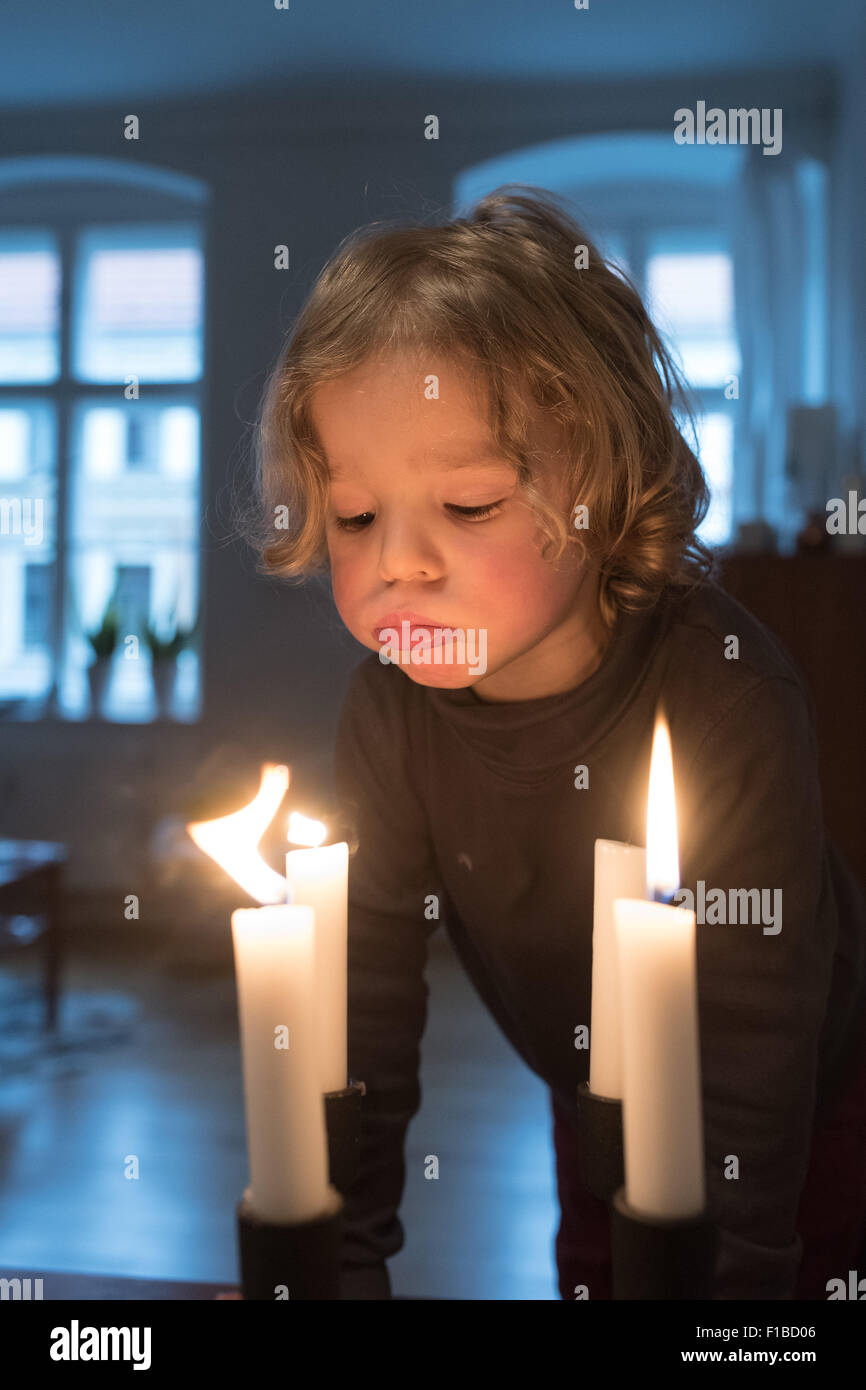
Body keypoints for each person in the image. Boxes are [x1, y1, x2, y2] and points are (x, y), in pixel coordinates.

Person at [246, 186, 866, 1300]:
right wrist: (339, 1262)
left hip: (815, 1107)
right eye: (354, 515)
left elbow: (748, 1051)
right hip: (594, 1097)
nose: (399, 561)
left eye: (470, 504)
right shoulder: (387, 712)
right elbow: (358, 1010)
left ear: (606, 478)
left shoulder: (724, 693)